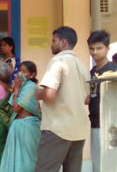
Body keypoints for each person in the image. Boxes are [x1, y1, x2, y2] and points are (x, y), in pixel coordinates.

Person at [35, 26, 90, 172]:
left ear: (63, 42)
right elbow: (87, 99)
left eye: (54, 40)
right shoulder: (82, 66)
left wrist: (38, 94)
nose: (51, 44)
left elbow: (49, 95)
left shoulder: (58, 62)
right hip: (79, 129)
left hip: (57, 129)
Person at [0, 61, 41, 172]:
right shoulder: (23, 87)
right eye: (19, 71)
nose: (20, 74)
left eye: (24, 71)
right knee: (15, 160)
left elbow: (16, 108)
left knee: (27, 161)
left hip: (28, 128)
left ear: (32, 75)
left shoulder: (30, 87)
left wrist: (17, 88)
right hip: (18, 127)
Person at [87, 30, 117, 172]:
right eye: (92, 49)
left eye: (99, 48)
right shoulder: (93, 70)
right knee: (97, 165)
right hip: (95, 123)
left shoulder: (113, 70)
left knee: (109, 166)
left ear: (107, 48)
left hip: (110, 125)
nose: (95, 52)